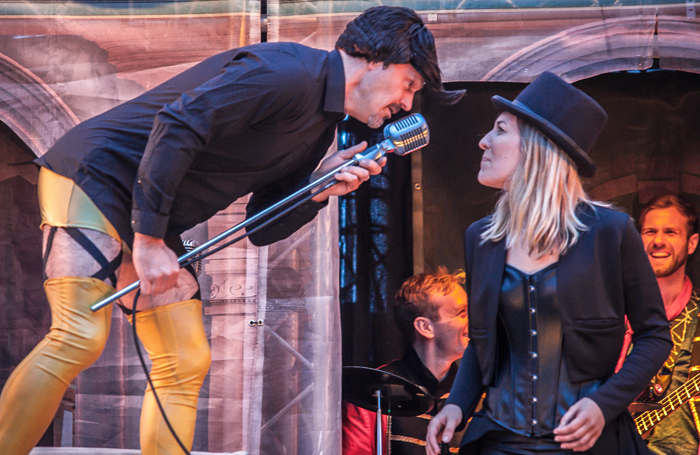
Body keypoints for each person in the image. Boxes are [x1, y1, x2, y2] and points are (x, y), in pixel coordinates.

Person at [0, 6, 464, 455]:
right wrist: (149, 239)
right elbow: (178, 125)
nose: (405, 103)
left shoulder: (321, 125)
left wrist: (317, 189)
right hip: (94, 176)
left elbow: (261, 226)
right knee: (78, 334)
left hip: (147, 213)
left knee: (185, 359)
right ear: (377, 58)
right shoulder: (287, 71)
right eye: (408, 84)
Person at [425, 71, 672, 455]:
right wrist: (457, 403)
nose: (484, 141)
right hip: (499, 440)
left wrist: (604, 405)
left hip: (587, 442)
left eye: (500, 130)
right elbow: (482, 342)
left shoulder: (610, 231)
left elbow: (654, 336)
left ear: (538, 148)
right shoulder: (481, 238)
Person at [342, 268, 469, 455]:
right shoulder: (370, 393)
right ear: (425, 327)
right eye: (461, 313)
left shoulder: (482, 392)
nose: (473, 322)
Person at [626, 195, 700, 454]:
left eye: (670, 232)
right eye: (650, 232)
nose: (658, 241)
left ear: (692, 243)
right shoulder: (611, 314)